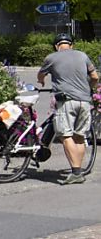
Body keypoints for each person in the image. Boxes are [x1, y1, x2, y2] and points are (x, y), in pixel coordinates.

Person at [37, 33, 99, 185]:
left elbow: (41, 75)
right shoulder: (83, 56)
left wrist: (41, 81)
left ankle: (76, 173)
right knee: (79, 136)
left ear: (57, 46)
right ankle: (77, 170)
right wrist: (88, 89)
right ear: (71, 45)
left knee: (65, 135)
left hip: (66, 102)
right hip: (85, 101)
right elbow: (95, 77)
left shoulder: (51, 58)